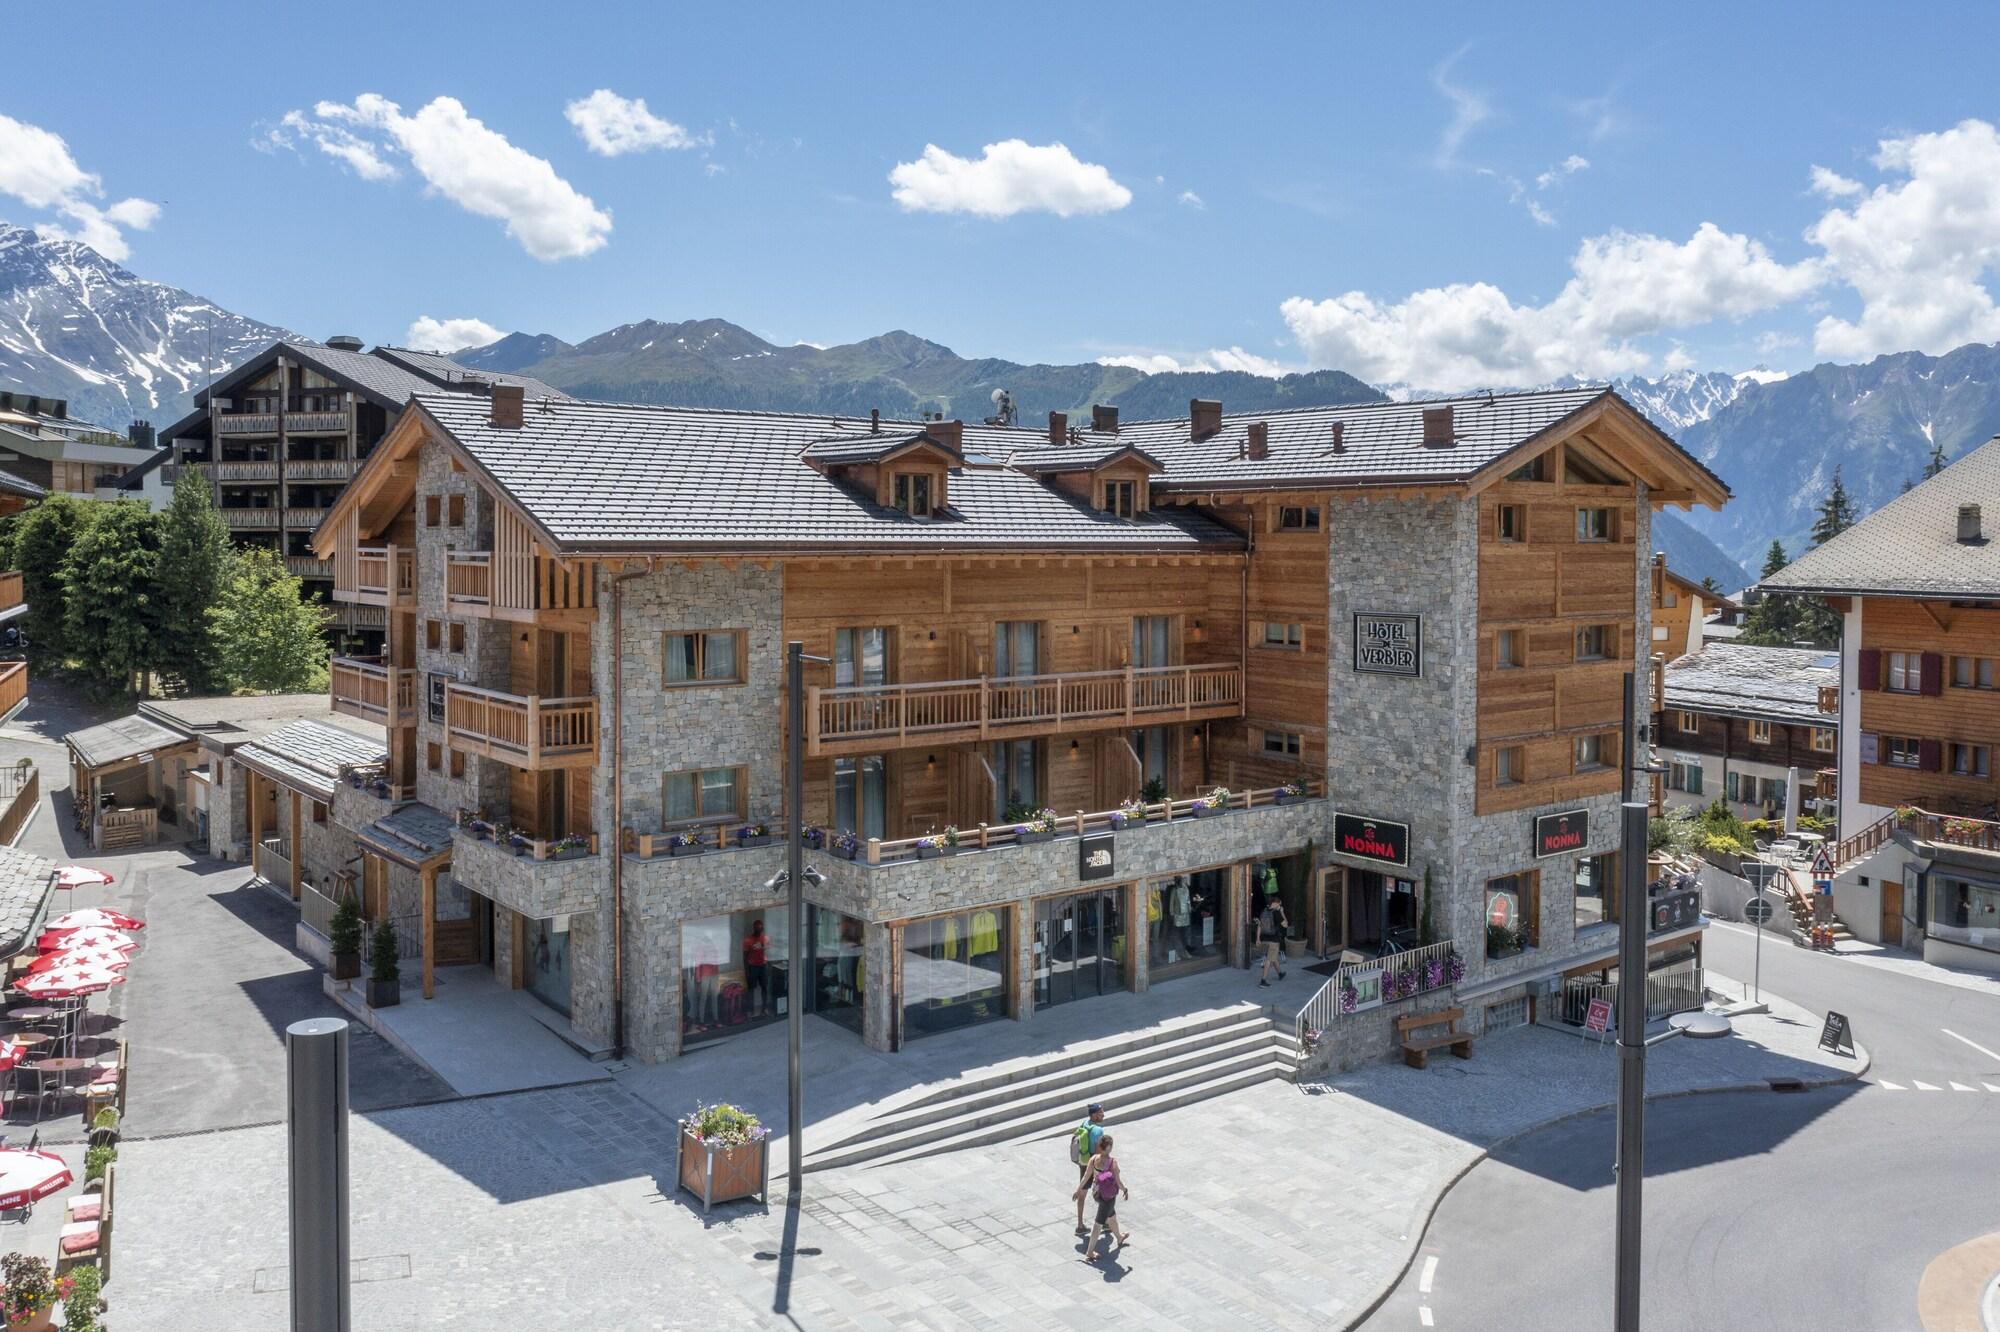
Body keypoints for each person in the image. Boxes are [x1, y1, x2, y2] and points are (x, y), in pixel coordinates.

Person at [1073, 1133, 1129, 1261]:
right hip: (1108, 1197)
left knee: (1112, 1216)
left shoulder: (1093, 1159)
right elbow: (1118, 1182)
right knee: (1098, 1225)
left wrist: (1078, 1190)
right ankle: (1090, 1252)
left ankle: (1119, 1237)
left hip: (1097, 1193)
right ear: (1109, 1147)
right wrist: (1125, 1190)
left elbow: (1086, 1176)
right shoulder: (1112, 1162)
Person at [1069, 1103, 1106, 1236]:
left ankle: (1080, 1225)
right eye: (1101, 1112)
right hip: (1093, 1165)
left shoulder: (1085, 1123)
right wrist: (1099, 1170)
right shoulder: (1098, 1131)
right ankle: (1106, 1221)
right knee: (1104, 1193)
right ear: (1094, 1115)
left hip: (1083, 1162)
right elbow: (1097, 1152)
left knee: (1083, 1194)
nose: (1103, 1115)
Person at [1257, 898, 1288, 987]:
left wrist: (1257, 939)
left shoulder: (1264, 911)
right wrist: (1282, 912)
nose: (1279, 906)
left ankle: (1280, 973)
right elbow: (1285, 924)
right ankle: (1263, 980)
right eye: (1279, 904)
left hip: (1264, 939)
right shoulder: (1276, 913)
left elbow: (1259, 925)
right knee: (1269, 959)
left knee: (1272, 957)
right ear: (1275, 903)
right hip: (1273, 940)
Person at [743, 920, 769, 1017]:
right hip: (752, 966)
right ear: (754, 928)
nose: (759, 930)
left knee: (764, 988)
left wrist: (768, 966)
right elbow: (744, 956)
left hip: (763, 966)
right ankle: (750, 1010)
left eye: (761, 928)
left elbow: (768, 951)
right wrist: (746, 970)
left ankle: (764, 1008)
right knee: (751, 989)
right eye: (757, 928)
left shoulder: (765, 938)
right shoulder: (748, 940)